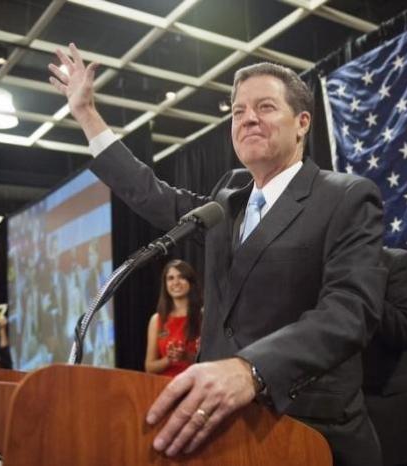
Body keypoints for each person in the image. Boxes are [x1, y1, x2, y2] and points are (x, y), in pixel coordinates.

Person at [49, 44, 386, 466]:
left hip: (308, 434)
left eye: (265, 106)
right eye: (238, 110)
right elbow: (151, 194)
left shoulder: (346, 196)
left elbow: (350, 311)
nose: (248, 118)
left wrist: (252, 369)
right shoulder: (224, 203)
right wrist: (86, 114)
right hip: (219, 434)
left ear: (302, 123)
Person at [362, 248, 407, 466]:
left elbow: (403, 332)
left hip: (392, 423)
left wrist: (359, 283)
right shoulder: (322, 269)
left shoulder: (398, 262)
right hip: (340, 417)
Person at [145, 260, 203, 377]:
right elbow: (149, 367)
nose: (176, 282)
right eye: (170, 278)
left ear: (190, 282)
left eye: (181, 277)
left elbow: (212, 361)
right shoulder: (156, 320)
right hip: (165, 387)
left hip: (196, 386)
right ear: (165, 284)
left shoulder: (203, 316)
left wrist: (186, 356)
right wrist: (169, 359)